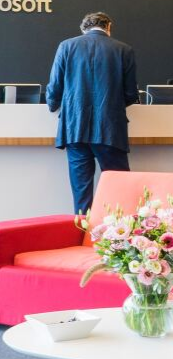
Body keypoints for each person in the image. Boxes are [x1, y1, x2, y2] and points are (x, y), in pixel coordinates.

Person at [46, 11, 139, 215]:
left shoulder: (66, 46)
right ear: (109, 26)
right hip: (110, 128)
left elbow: (54, 88)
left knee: (81, 191)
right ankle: (117, 232)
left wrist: (53, 105)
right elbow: (131, 94)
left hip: (75, 128)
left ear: (84, 28)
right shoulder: (124, 49)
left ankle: (83, 231)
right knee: (118, 186)